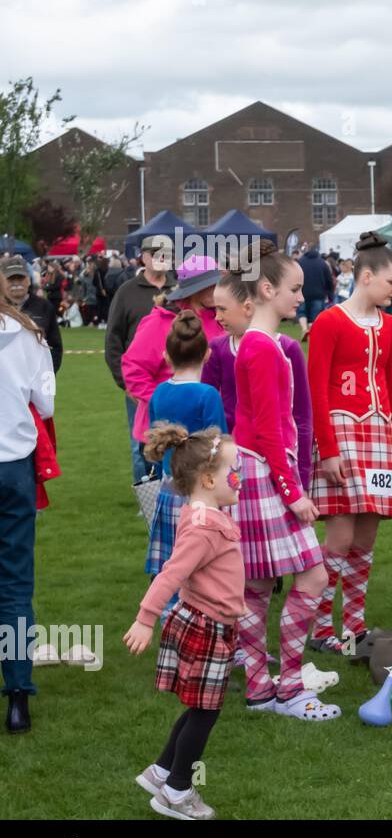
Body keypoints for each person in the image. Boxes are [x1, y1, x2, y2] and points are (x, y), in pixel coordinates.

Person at [226, 241, 335, 722]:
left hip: (254, 470)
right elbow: (270, 428)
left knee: (256, 585)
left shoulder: (257, 343)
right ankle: (288, 687)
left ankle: (260, 689)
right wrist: (294, 494)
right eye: (294, 289)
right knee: (312, 575)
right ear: (267, 289)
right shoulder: (263, 346)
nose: (300, 297)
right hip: (266, 472)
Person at [124, 424, 243, 819]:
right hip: (206, 628)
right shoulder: (205, 527)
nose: (239, 478)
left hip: (211, 622)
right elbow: (171, 574)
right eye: (233, 471)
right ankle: (176, 791)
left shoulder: (203, 514)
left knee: (198, 708)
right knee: (205, 712)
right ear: (209, 479)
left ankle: (162, 772)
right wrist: (145, 618)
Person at [306, 233, 392, 654]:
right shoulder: (330, 321)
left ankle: (353, 626)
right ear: (366, 277)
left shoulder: (391, 326)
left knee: (365, 540)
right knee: (338, 540)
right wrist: (327, 450)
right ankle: (318, 627)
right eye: (391, 282)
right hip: (342, 435)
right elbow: (316, 390)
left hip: (379, 438)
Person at [144, 312, 227, 607]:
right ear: (207, 355)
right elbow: (220, 449)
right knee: (202, 569)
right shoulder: (208, 395)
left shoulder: (159, 393)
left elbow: (154, 440)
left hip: (168, 490)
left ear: (167, 356)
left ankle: (169, 621)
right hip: (200, 496)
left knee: (171, 565)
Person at [0, 291, 55, 734]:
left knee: (15, 586)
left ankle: (19, 692)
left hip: (14, 463)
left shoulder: (28, 334)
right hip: (13, 467)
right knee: (15, 585)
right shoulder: (28, 337)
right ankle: (18, 694)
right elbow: (47, 403)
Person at [203, 274, 313, 493]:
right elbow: (208, 406)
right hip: (234, 457)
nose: (217, 317)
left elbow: (301, 415)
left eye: (223, 309)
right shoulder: (218, 348)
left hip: (281, 455)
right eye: (215, 309)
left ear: (248, 306)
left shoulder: (287, 348)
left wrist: (302, 472)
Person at [121, 255, 224, 460]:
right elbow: (134, 371)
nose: (216, 289)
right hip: (167, 431)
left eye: (217, 283)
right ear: (194, 289)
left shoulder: (222, 317)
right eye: (210, 285)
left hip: (208, 422)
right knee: (170, 489)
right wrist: (168, 403)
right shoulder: (161, 322)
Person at [105, 235, 176, 483]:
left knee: (175, 438)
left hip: (174, 382)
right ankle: (146, 498)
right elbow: (113, 339)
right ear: (143, 257)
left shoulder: (178, 290)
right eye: (154, 253)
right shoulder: (126, 292)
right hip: (138, 383)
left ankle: (175, 493)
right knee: (141, 444)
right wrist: (124, 383)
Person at [3, 257, 61, 372]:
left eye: (20, 278)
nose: (16, 284)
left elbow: (55, 347)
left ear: (29, 280)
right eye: (11, 279)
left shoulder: (44, 307)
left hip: (36, 379)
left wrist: (47, 376)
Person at [296, 245, 334, 336]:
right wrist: (330, 294)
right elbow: (329, 279)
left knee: (301, 312)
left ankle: (304, 329)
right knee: (315, 316)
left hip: (303, 293)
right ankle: (312, 331)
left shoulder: (300, 262)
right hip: (319, 294)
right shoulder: (322, 263)